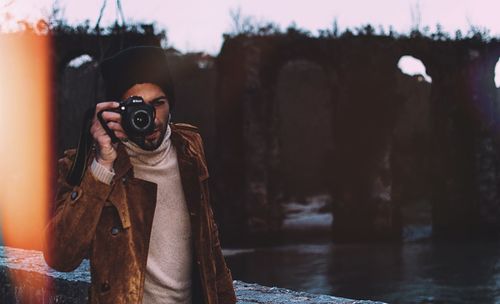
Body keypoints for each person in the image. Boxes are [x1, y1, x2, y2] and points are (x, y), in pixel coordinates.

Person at [43, 46, 236, 304]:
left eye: (158, 103)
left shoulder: (189, 148)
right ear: (115, 111)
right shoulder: (87, 165)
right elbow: (60, 257)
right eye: (137, 108)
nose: (150, 119)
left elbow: (209, 244)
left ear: (171, 103)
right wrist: (103, 165)